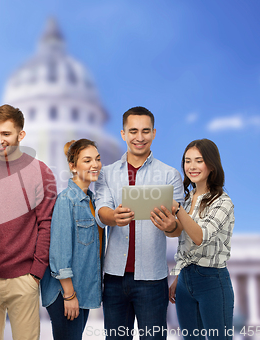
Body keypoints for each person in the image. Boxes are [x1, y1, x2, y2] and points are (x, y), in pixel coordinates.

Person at [94, 106, 184, 339]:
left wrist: (170, 226)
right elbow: (101, 210)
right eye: (133, 131)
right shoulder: (107, 173)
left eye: (145, 131)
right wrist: (112, 217)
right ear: (123, 134)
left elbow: (178, 228)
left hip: (153, 280)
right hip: (114, 277)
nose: (139, 137)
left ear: (154, 133)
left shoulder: (170, 175)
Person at [0, 104, 57, 340]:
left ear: (21, 135)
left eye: (6, 134)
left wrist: (35, 273)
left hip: (24, 279)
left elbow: (47, 224)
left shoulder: (40, 171)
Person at [150, 139, 234, 340]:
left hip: (212, 280)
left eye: (199, 160)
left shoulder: (222, 201)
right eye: (187, 161)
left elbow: (200, 237)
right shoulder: (187, 199)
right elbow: (182, 239)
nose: (192, 167)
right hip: (185, 281)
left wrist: (177, 209)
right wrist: (179, 277)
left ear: (211, 165)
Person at [41, 139, 103, 340]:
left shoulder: (92, 201)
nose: (95, 165)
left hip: (82, 290)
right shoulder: (67, 200)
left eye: (97, 159)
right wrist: (69, 295)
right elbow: (59, 252)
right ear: (73, 167)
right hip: (65, 293)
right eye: (87, 160)